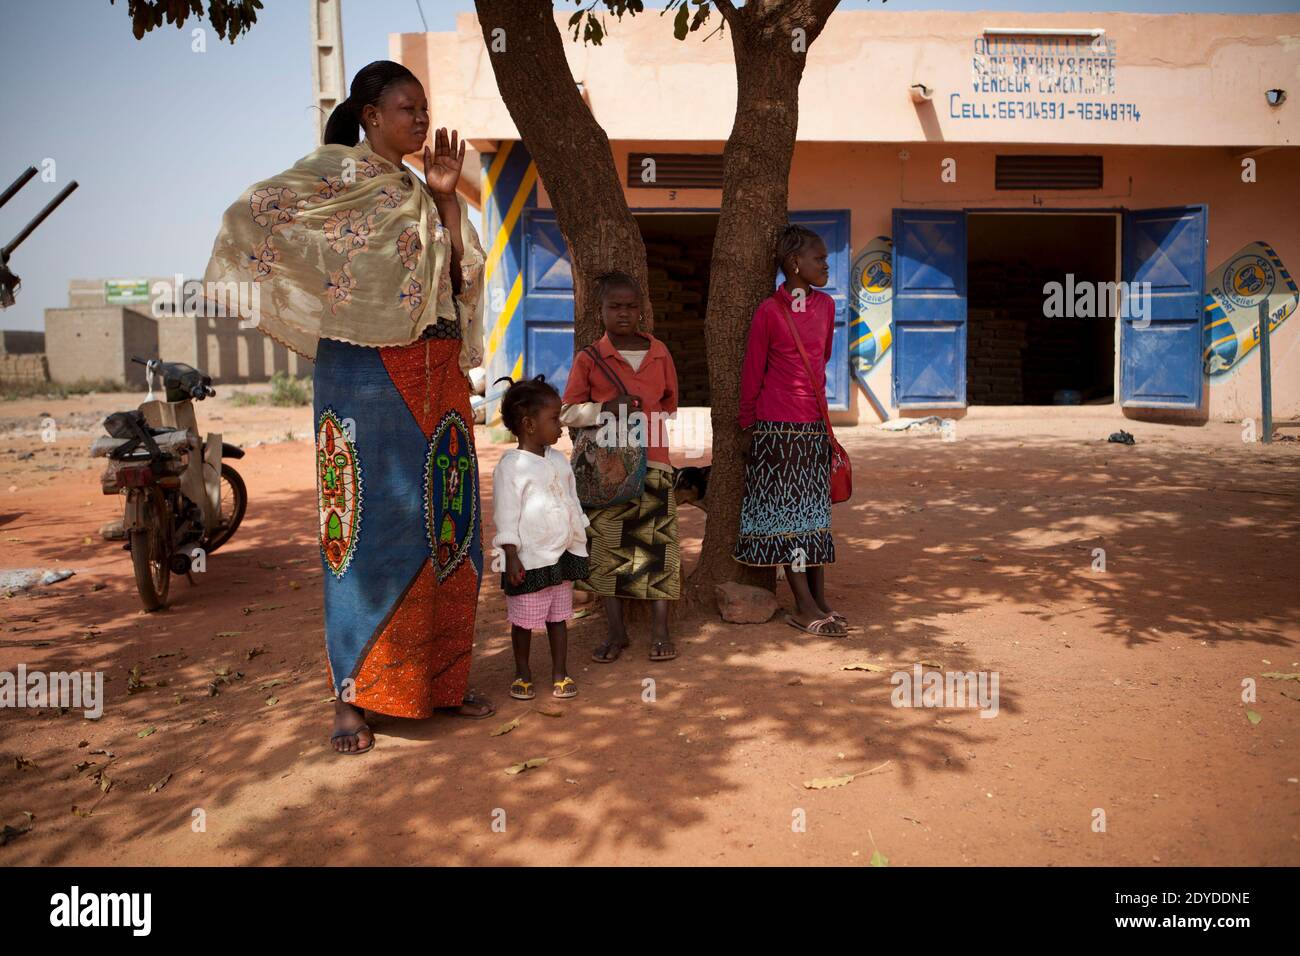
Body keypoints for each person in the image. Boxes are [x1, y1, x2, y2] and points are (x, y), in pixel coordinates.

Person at [204, 60, 495, 755]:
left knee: (448, 526)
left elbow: (460, 281)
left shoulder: (427, 191)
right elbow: (254, 215)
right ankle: (351, 701)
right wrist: (318, 294)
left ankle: (439, 683)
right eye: (405, 108)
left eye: (424, 109)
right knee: (358, 529)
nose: (420, 120)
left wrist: (448, 202)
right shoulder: (335, 177)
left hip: (438, 370)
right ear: (369, 115)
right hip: (362, 373)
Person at [560, 272, 681, 663]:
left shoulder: (659, 352)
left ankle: (661, 632)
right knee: (607, 549)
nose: (624, 313)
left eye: (631, 306)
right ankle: (616, 632)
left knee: (656, 547)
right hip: (606, 472)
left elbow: (669, 404)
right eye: (615, 307)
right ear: (601, 312)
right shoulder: (590, 358)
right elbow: (566, 412)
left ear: (642, 310)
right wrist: (604, 410)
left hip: (654, 462)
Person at [734, 224, 847, 637]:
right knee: (789, 521)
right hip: (777, 431)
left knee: (815, 517)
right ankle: (802, 606)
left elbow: (821, 359)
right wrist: (748, 425)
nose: (826, 265)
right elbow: (753, 371)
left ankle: (820, 601)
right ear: (794, 263)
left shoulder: (828, 307)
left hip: (814, 428)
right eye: (819, 259)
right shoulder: (769, 311)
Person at [491, 376, 590, 700]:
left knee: (559, 617)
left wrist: (582, 536)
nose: (560, 426)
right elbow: (506, 514)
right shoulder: (512, 466)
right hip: (529, 559)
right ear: (529, 424)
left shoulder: (559, 460)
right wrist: (511, 555)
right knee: (523, 620)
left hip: (561, 553)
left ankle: (560, 673)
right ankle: (522, 673)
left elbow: (571, 500)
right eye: (554, 419)